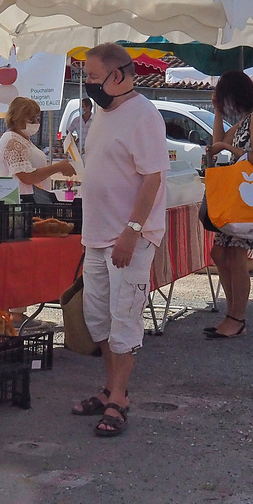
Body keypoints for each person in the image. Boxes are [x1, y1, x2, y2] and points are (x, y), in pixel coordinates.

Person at [69, 43, 167, 438]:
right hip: (97, 236)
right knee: (100, 319)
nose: (88, 83)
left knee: (124, 319)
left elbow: (153, 177)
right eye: (87, 76)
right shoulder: (103, 115)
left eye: (93, 76)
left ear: (118, 75)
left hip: (128, 237)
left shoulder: (143, 115)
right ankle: (110, 387)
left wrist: (133, 230)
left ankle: (119, 398)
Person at [206, 70, 253, 339]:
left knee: (235, 256)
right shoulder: (250, 117)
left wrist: (228, 149)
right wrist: (217, 114)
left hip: (251, 195)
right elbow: (218, 141)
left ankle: (237, 316)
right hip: (242, 194)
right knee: (220, 254)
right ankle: (232, 313)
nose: (227, 106)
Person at [0, 96, 74, 202]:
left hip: (31, 201)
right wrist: (57, 167)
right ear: (17, 117)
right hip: (22, 203)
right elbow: (27, 177)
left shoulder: (22, 140)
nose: (36, 122)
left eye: (37, 118)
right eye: (31, 119)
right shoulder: (13, 141)